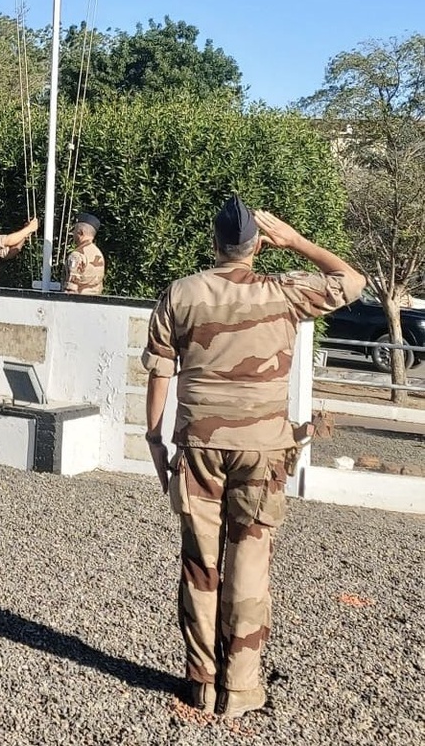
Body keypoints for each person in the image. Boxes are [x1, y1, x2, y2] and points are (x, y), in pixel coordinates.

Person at [141, 196, 364, 719]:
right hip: (264, 450)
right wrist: (297, 241)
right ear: (257, 245)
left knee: (201, 566)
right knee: (250, 563)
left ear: (214, 243)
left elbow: (158, 372)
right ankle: (240, 690)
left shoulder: (182, 293)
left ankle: (201, 684)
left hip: (197, 445)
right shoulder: (283, 291)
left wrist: (154, 438)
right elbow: (350, 281)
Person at [64, 212, 105, 296]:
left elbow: (71, 288)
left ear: (80, 232)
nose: (73, 233)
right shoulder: (98, 254)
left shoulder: (77, 255)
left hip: (78, 303)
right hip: (94, 302)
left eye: (75, 230)